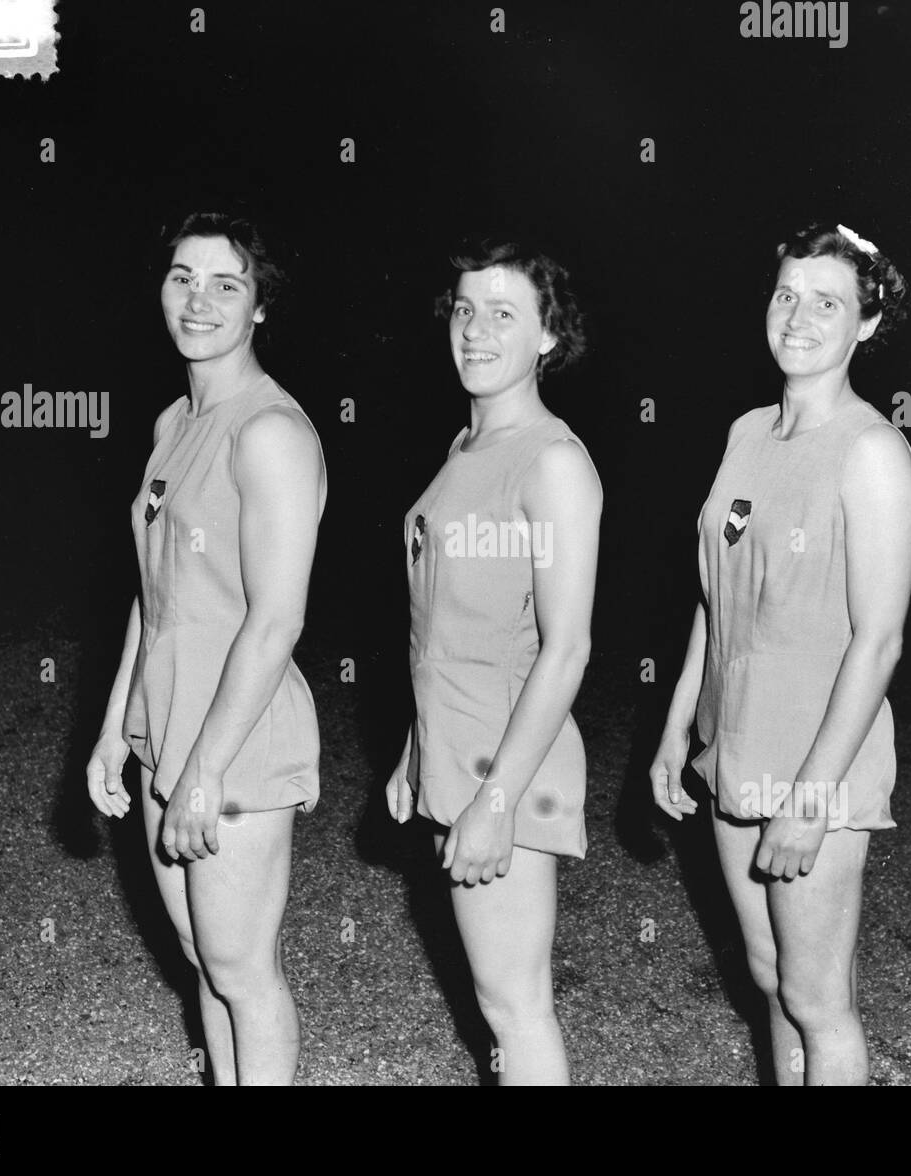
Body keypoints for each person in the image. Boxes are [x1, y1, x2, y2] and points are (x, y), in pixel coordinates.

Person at [650, 222, 911, 1086]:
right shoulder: (744, 434)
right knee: (768, 982)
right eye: (786, 294)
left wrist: (812, 798)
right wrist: (677, 727)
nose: (798, 317)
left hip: (819, 761)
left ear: (866, 325)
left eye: (828, 302)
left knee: (818, 997)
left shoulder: (872, 452)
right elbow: (716, 598)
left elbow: (879, 640)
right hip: (738, 746)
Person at [86, 211, 326, 1086]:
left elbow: (277, 620)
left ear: (260, 306)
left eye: (227, 285)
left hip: (237, 737)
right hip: (169, 720)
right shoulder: (171, 424)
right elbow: (154, 598)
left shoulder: (271, 435)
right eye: (183, 277)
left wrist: (204, 770)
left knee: (242, 969)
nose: (199, 300)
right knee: (202, 959)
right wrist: (118, 727)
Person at [387, 240, 602, 1085]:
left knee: (515, 1006)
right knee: (497, 1002)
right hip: (460, 746)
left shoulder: (550, 462)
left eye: (504, 313)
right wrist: (416, 745)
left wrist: (494, 801)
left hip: (508, 762)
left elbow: (568, 646)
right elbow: (447, 622)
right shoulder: (468, 447)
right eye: (466, 309)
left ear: (549, 335)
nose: (475, 330)